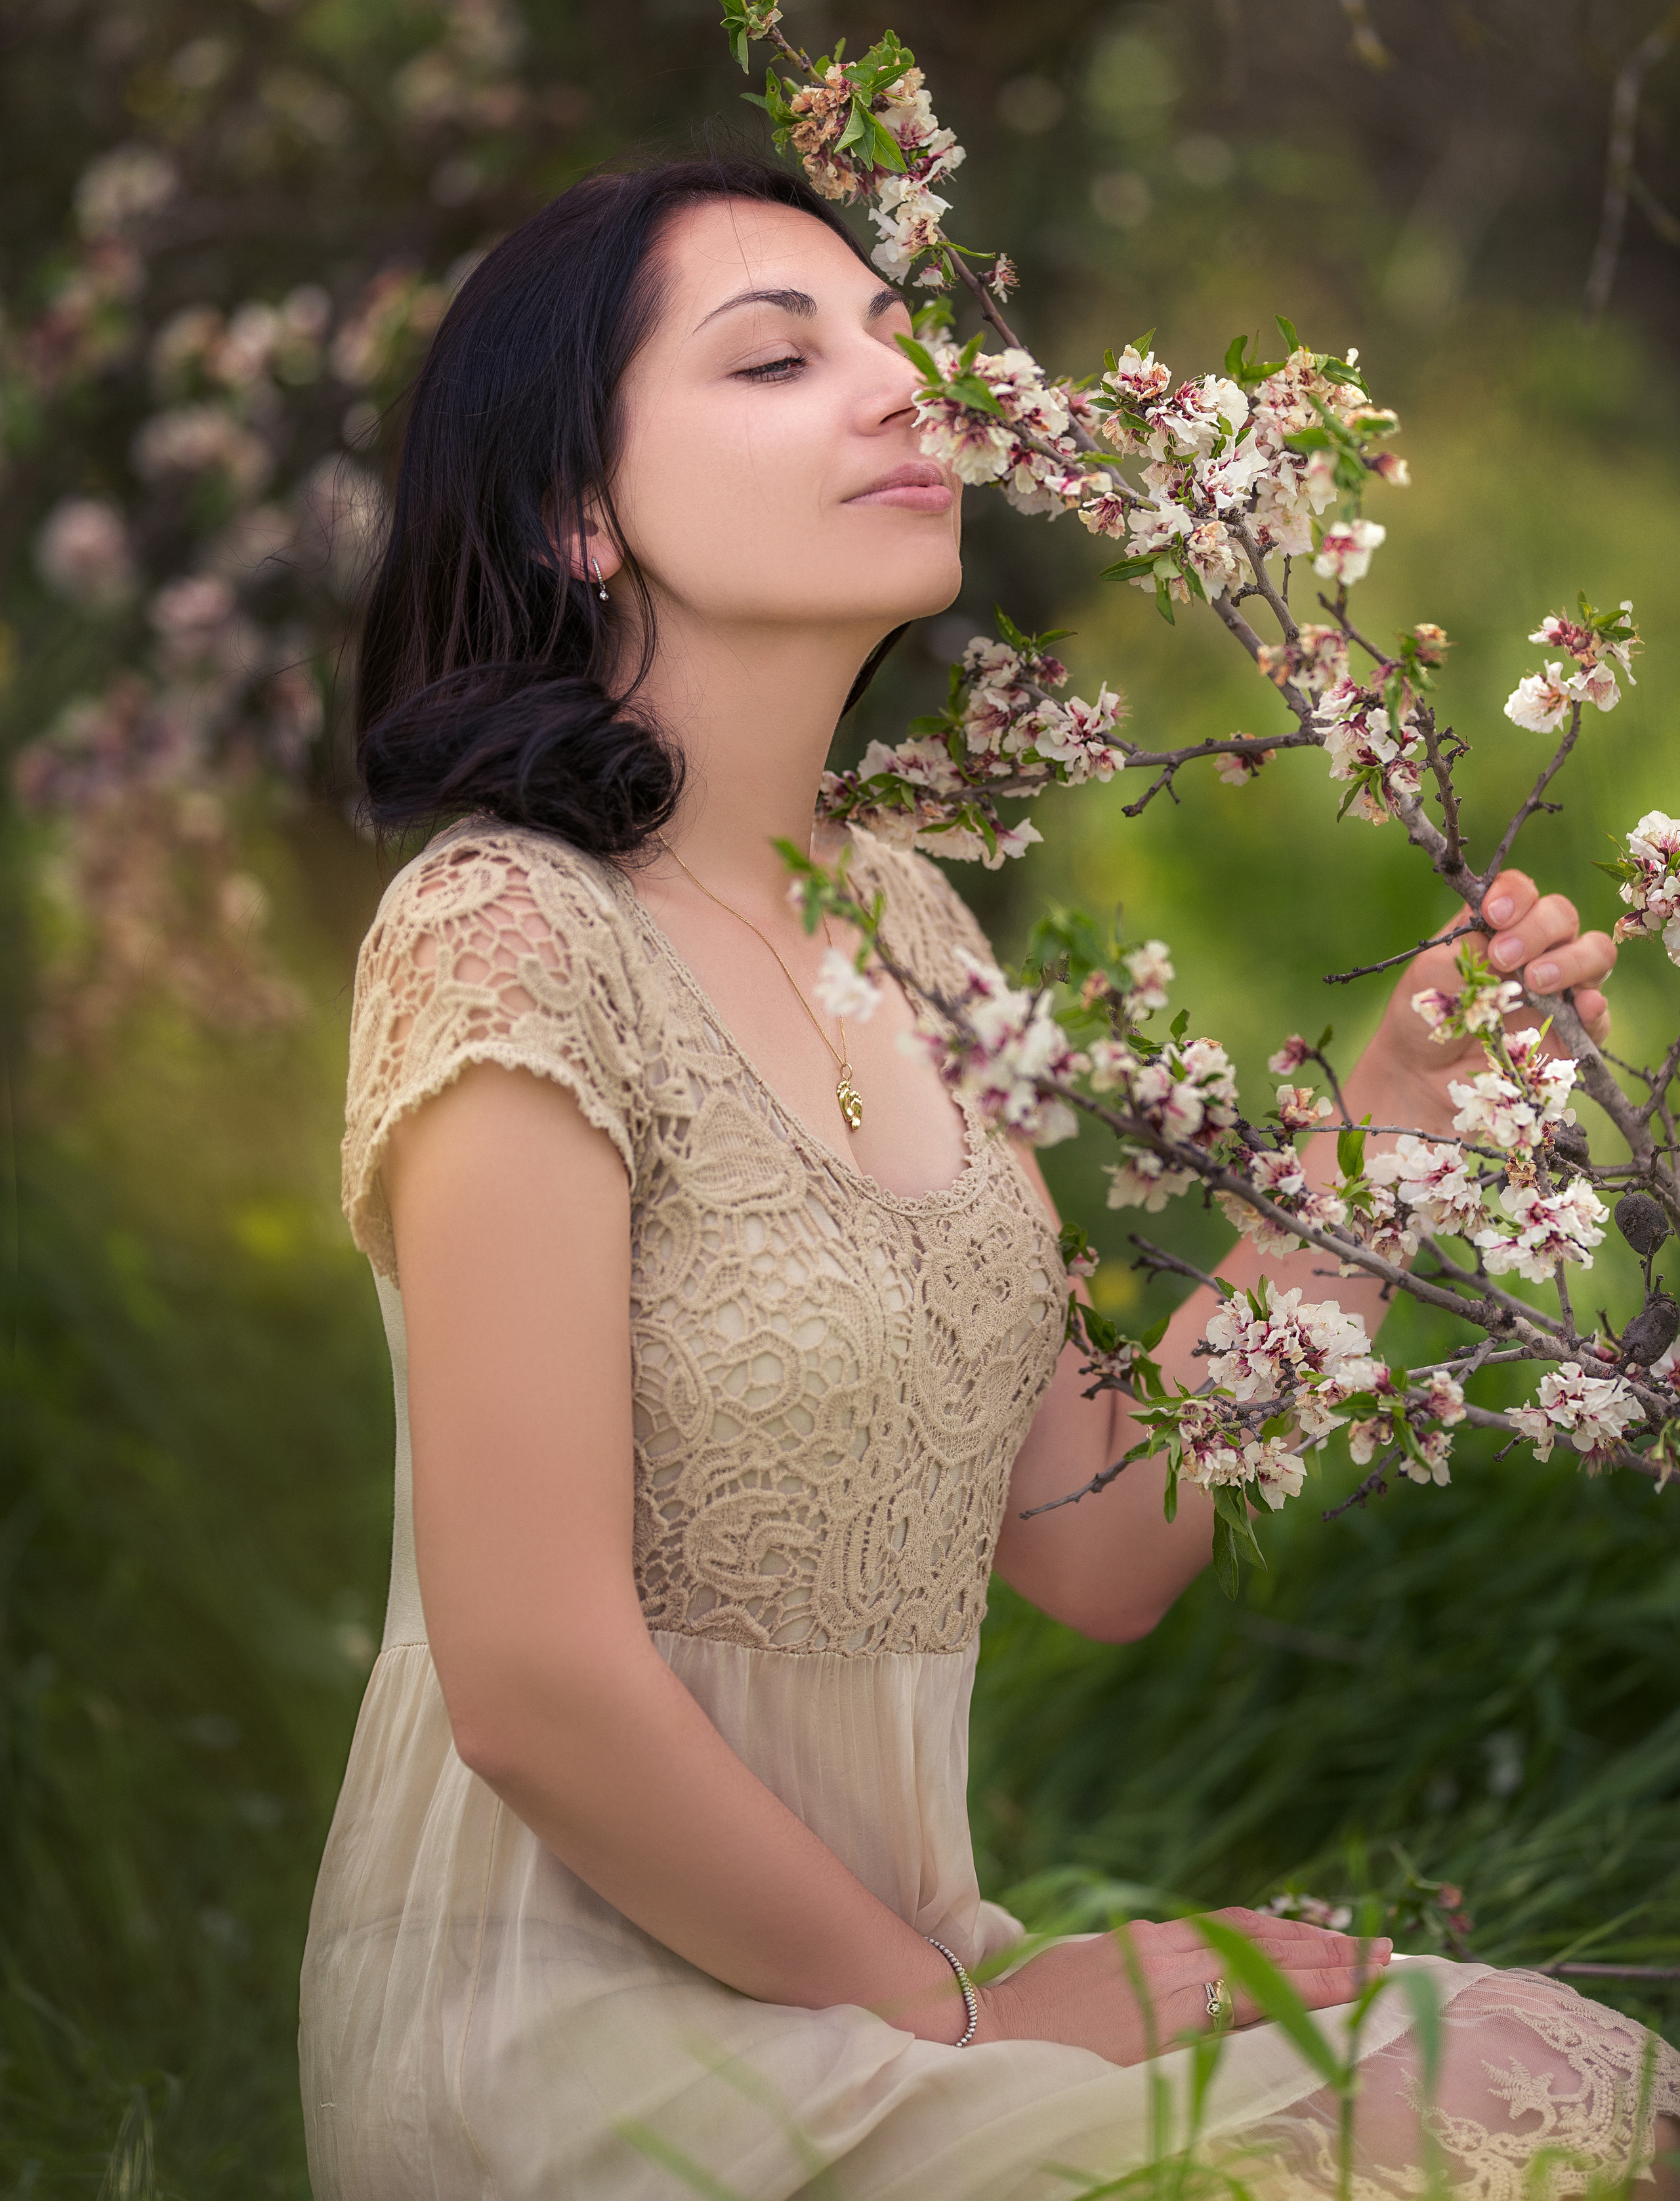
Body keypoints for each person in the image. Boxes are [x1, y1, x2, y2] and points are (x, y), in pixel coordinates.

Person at [299, 156, 1678, 2199]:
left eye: (895, 333)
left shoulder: (917, 930)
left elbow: (1103, 1541)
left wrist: (1382, 1118)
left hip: (892, 1984)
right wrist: (963, 2013)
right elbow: (529, 1679)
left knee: (1576, 2082)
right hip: (576, 2025)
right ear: (573, 512)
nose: (897, 386)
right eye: (778, 356)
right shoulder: (506, 934)